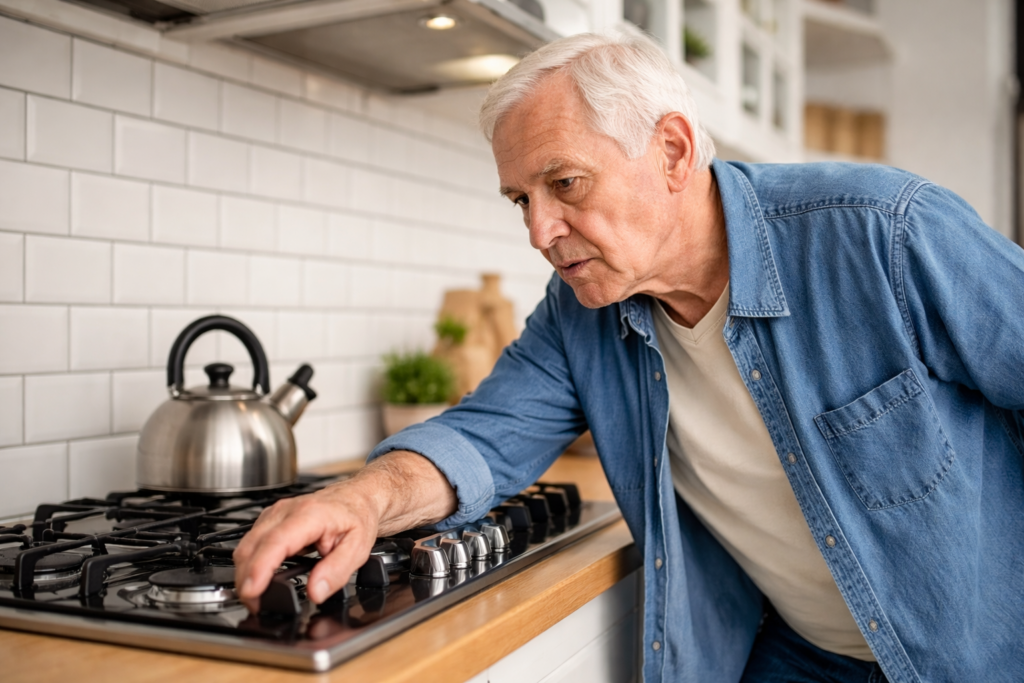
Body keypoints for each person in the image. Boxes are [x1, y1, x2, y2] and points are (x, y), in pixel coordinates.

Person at [234, 31, 1024, 683]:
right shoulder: (582, 314)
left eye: (565, 183)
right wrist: (366, 499)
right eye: (522, 200)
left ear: (673, 153)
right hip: (804, 656)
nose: (539, 231)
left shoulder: (882, 234)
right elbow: (483, 436)